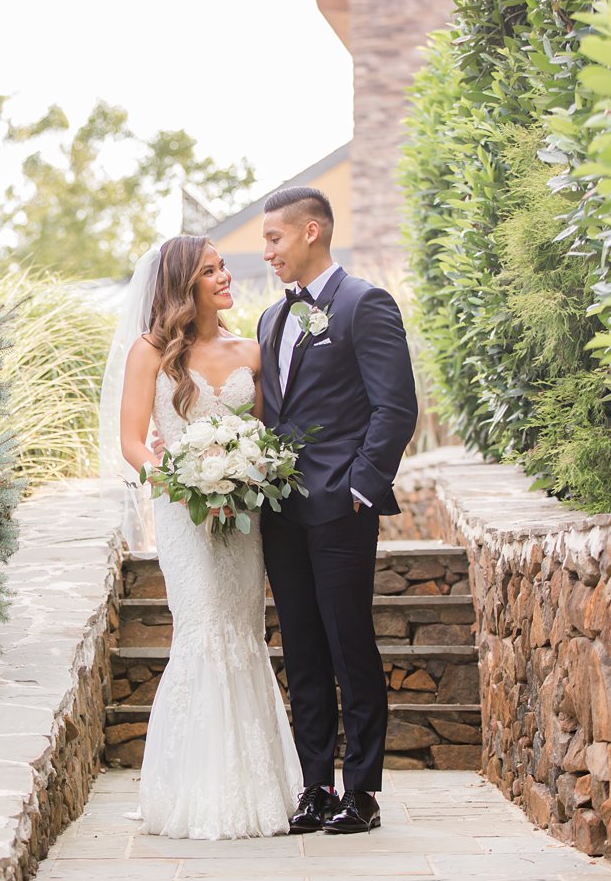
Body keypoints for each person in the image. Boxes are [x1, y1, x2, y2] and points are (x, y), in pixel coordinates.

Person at [109, 234, 302, 840]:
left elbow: (269, 436)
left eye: (223, 269)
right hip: (183, 513)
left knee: (242, 632)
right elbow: (133, 442)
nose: (225, 278)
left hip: (244, 519)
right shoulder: (151, 352)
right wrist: (182, 479)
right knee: (202, 631)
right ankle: (193, 792)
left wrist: (247, 473)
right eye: (211, 271)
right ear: (183, 285)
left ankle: (256, 789)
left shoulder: (252, 349)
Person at [256, 186, 417, 835]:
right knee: (301, 647)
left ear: (313, 231)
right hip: (281, 511)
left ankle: (364, 790)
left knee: (350, 641)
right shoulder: (270, 319)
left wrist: (361, 486)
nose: (265, 250)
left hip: (341, 507)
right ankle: (316, 783)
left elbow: (394, 406)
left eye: (274, 238)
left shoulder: (363, 303)